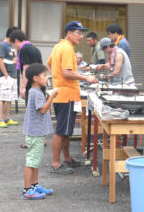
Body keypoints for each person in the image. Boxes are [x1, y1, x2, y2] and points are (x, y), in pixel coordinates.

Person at [47, 21, 98, 174]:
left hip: (61, 93)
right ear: (69, 33)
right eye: (78, 33)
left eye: (82, 33)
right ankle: (55, 163)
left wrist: (56, 80)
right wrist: (86, 78)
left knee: (66, 130)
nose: (81, 36)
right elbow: (67, 73)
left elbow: (49, 64)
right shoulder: (68, 48)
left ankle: (67, 158)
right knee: (61, 131)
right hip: (66, 95)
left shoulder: (58, 46)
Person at [22, 63, 58, 200]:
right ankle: (27, 190)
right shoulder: (35, 93)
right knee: (31, 161)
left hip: (36, 132)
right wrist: (52, 96)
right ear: (35, 78)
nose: (46, 78)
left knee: (35, 161)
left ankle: (34, 185)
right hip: (35, 133)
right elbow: (43, 110)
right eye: (44, 75)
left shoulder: (35, 91)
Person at [9, 29, 43, 100]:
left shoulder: (24, 50)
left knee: (31, 109)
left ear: (17, 40)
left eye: (13, 43)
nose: (13, 46)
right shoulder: (34, 48)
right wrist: (18, 63)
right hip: (40, 84)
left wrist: (23, 88)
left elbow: (26, 69)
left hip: (32, 86)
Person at [0, 27, 19, 128]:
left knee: (9, 98)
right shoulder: (3, 45)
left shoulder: (10, 46)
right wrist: (5, 74)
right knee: (2, 98)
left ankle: (7, 118)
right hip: (6, 76)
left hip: (12, 75)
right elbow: (0, 60)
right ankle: (1, 120)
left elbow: (9, 59)